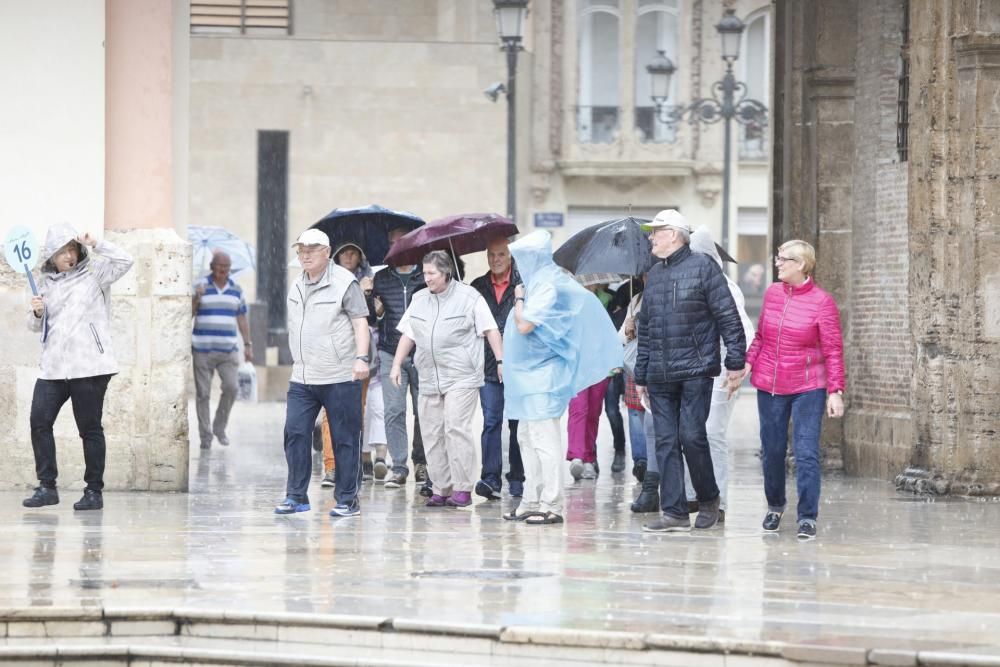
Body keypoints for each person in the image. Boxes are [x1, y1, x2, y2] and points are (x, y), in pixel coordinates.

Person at [634, 210, 746, 532]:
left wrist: (735, 361)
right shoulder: (654, 275)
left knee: (692, 436)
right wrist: (641, 375)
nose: (651, 237)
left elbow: (728, 317)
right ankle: (675, 512)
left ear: (674, 233)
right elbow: (647, 329)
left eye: (656, 232)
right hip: (659, 374)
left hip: (696, 369)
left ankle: (709, 499)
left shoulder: (703, 269)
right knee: (666, 440)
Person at [502, 231, 622, 525]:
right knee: (526, 438)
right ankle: (530, 499)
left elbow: (526, 324)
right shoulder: (539, 282)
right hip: (528, 377)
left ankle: (551, 504)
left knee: (544, 440)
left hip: (543, 377)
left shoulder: (546, 285)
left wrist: (518, 300)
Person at [23, 224, 134, 511]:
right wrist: (37, 312)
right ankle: (47, 486)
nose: (69, 256)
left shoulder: (95, 274)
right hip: (53, 369)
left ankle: (93, 491)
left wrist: (97, 243)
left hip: (90, 367)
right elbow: (36, 326)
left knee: (90, 429)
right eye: (63, 252)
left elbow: (126, 260)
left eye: (72, 250)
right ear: (52, 257)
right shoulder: (44, 284)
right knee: (39, 421)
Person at [745, 240, 845, 541]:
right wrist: (746, 365)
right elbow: (761, 337)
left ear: (801, 265)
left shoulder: (822, 302)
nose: (777, 263)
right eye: (777, 257)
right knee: (772, 451)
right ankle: (775, 506)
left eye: (783, 259)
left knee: (805, 452)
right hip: (770, 384)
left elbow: (833, 350)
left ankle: (807, 516)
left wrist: (835, 390)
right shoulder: (772, 294)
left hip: (807, 386)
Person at [390, 250, 503, 508]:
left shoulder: (469, 297)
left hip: (462, 376)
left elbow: (490, 329)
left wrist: (500, 361)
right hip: (429, 375)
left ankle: (462, 488)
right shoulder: (419, 299)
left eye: (431, 273)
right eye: (425, 272)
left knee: (455, 428)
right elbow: (409, 334)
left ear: (446, 273)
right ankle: (441, 487)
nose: (426, 277)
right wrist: (397, 364)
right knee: (431, 432)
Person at [275, 228, 370, 517]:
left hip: (340, 374)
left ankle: (347, 499)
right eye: (301, 249)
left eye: (312, 249)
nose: (305, 254)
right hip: (303, 375)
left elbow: (360, 322)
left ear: (327, 253)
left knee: (345, 438)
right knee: (295, 433)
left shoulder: (345, 283)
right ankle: (296, 496)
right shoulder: (296, 284)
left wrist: (361, 358)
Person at [372, 227, 428, 490]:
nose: (398, 247)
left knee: (423, 411)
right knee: (394, 410)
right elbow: (372, 320)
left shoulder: (426, 276)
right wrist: (378, 311)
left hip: (422, 354)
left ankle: (422, 463)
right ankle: (399, 466)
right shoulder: (381, 279)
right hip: (389, 351)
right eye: (393, 243)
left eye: (402, 242)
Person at [470, 236, 524, 500]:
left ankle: (517, 478)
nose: (495, 260)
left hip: (518, 363)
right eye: (491, 255)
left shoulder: (523, 284)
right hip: (488, 364)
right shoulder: (477, 286)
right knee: (491, 421)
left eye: (500, 255)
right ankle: (490, 479)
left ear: (510, 256)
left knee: (516, 424)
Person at [330, 241, 383, 482]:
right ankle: (333, 463)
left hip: (364, 349)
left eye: (353, 252)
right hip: (335, 348)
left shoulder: (369, 279)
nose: (348, 257)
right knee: (329, 407)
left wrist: (368, 294)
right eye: (344, 253)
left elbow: (372, 316)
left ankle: (358, 458)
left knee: (360, 406)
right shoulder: (330, 280)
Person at [191, 252, 252, 450]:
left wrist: (248, 344)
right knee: (203, 394)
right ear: (211, 265)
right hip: (202, 349)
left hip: (228, 351)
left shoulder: (236, 290)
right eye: (219, 265)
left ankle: (219, 426)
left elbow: (242, 318)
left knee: (232, 388)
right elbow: (189, 314)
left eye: (226, 266)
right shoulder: (200, 286)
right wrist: (196, 298)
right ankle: (205, 436)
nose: (223, 269)